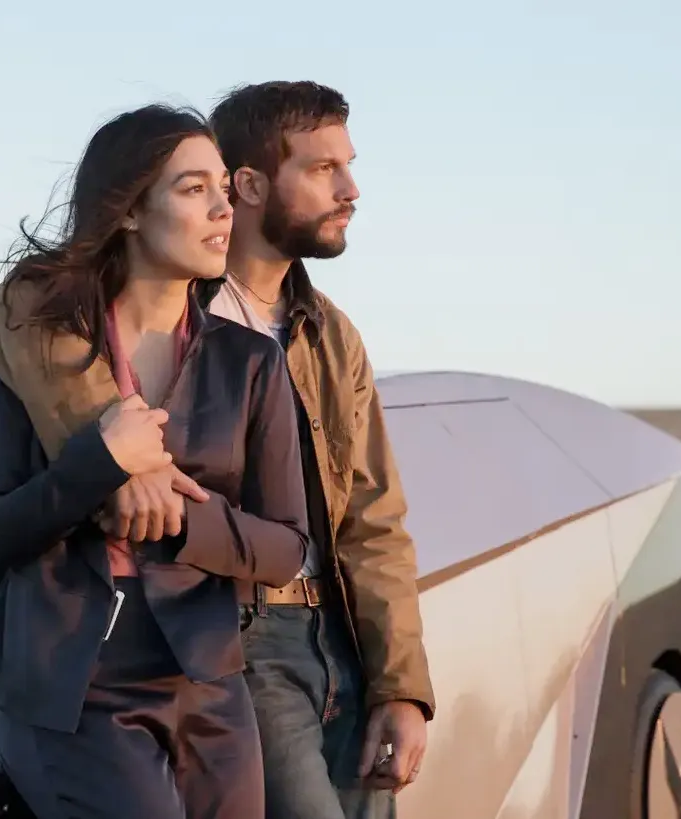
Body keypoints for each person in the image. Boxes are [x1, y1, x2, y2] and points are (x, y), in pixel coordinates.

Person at [0, 102, 311, 819]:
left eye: (222, 188)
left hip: (208, 684)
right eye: (191, 188)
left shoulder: (250, 363)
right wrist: (98, 465)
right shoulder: (33, 356)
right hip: (72, 687)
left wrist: (177, 521)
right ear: (128, 212)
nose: (222, 209)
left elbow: (288, 548)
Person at [196, 81, 437, 819]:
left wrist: (400, 687)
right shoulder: (170, 316)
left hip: (340, 640)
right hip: (239, 639)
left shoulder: (331, 335)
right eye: (322, 168)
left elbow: (372, 517)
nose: (351, 189)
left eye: (348, 165)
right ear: (249, 183)